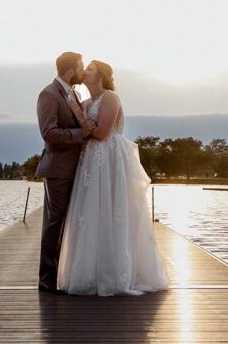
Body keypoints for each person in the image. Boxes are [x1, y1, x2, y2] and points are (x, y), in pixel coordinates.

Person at [57, 59, 170, 296]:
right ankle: (90, 273)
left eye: (90, 69)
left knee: (112, 211)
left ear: (101, 76)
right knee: (90, 214)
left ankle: (114, 274)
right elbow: (86, 131)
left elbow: (101, 133)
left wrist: (81, 120)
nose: (84, 71)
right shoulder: (87, 101)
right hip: (90, 161)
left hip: (109, 159)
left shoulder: (110, 97)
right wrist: (81, 120)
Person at [35, 52, 96, 291]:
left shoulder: (71, 94)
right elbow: (49, 133)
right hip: (58, 170)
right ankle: (47, 280)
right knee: (54, 224)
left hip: (75, 169)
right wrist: (82, 134)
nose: (83, 72)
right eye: (81, 67)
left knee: (67, 223)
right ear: (70, 71)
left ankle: (62, 275)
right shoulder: (49, 94)